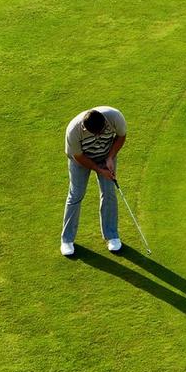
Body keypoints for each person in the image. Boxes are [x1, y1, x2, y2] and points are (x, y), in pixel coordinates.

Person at [61, 106, 127, 258]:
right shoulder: (73, 130)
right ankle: (67, 240)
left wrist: (110, 157)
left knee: (109, 192)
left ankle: (112, 236)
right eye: (95, 134)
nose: (99, 136)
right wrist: (99, 169)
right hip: (80, 160)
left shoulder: (115, 117)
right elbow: (78, 156)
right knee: (76, 195)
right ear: (84, 128)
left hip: (106, 155)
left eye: (102, 131)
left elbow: (121, 136)